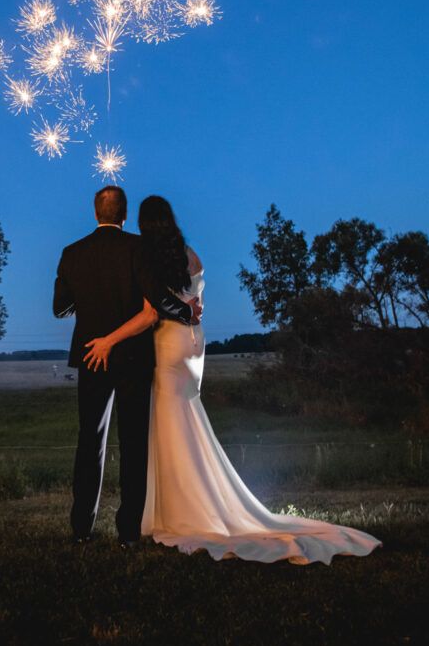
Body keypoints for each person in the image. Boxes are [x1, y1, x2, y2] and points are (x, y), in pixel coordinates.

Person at [84, 195, 382, 565]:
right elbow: (198, 302)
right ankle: (173, 506)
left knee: (168, 422)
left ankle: (176, 510)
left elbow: (153, 309)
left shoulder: (149, 257)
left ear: (142, 223)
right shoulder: (188, 255)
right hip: (193, 343)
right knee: (185, 415)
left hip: (168, 342)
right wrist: (191, 311)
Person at [53, 186, 200, 547]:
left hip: (92, 355)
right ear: (124, 215)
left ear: (95, 213)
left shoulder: (72, 253)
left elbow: (60, 308)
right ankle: (128, 533)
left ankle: (82, 528)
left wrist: (88, 303)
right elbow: (158, 299)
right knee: (133, 444)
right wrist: (187, 312)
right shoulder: (138, 249)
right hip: (133, 357)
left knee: (90, 441)